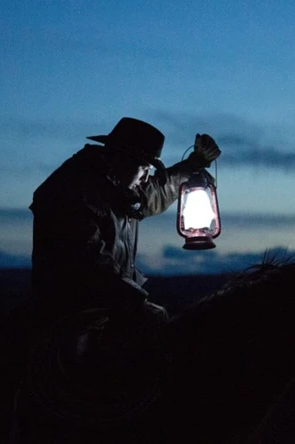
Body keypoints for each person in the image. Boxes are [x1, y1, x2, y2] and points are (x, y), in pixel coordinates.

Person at [26, 116, 221, 332]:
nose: (147, 179)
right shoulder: (72, 191)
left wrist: (194, 164)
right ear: (121, 159)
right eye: (145, 169)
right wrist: (138, 302)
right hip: (69, 316)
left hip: (110, 305)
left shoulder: (119, 185)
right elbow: (90, 263)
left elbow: (157, 191)